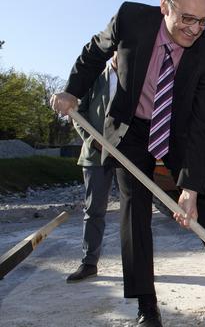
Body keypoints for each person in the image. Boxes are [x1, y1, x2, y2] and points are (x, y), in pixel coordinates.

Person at [50, 0, 205, 326]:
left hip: (179, 131)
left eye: (204, 20)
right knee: (134, 207)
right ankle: (146, 305)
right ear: (164, 6)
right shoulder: (131, 19)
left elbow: (202, 126)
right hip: (130, 129)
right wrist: (71, 91)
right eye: (187, 18)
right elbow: (94, 53)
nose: (195, 29)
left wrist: (189, 188)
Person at [66, 54, 118, 283]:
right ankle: (89, 263)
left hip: (127, 155)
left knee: (134, 211)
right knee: (94, 210)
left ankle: (138, 266)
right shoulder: (94, 79)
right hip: (96, 156)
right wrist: (93, 139)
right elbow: (77, 113)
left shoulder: (139, 79)